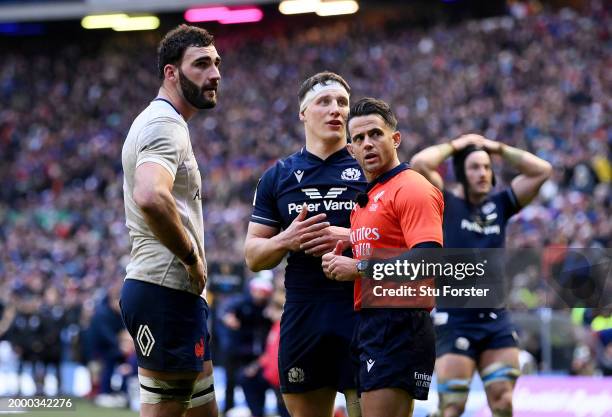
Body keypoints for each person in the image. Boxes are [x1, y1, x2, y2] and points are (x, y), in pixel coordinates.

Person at [244, 71, 366, 417]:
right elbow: (253, 256)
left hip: (361, 310)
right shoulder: (278, 176)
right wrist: (287, 239)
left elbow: (404, 245)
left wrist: (350, 237)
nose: (336, 110)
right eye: (324, 102)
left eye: (342, 103)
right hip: (304, 313)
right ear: (303, 113)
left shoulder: (370, 166)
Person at [410, 133, 552, 417]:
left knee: (503, 403)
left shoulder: (499, 205)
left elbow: (542, 170)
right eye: (475, 167)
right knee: (452, 407)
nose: (483, 173)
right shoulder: (445, 202)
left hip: (495, 321)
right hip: (455, 320)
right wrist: (455, 145)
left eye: (487, 167)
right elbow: (419, 164)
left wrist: (496, 147)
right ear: (461, 171)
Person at [120, 24, 221, 417]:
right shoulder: (164, 124)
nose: (214, 74)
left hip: (174, 293)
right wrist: (191, 257)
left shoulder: (166, 122)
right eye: (200, 64)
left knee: (203, 411)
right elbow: (150, 194)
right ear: (171, 73)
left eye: (216, 63)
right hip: (164, 289)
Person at [322, 97, 444, 417]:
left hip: (399, 321)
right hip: (374, 323)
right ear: (351, 151)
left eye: (375, 134)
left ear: (395, 138)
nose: (367, 144)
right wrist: (348, 243)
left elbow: (428, 261)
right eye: (359, 139)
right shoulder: (371, 196)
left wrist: (357, 267)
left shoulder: (412, 188)